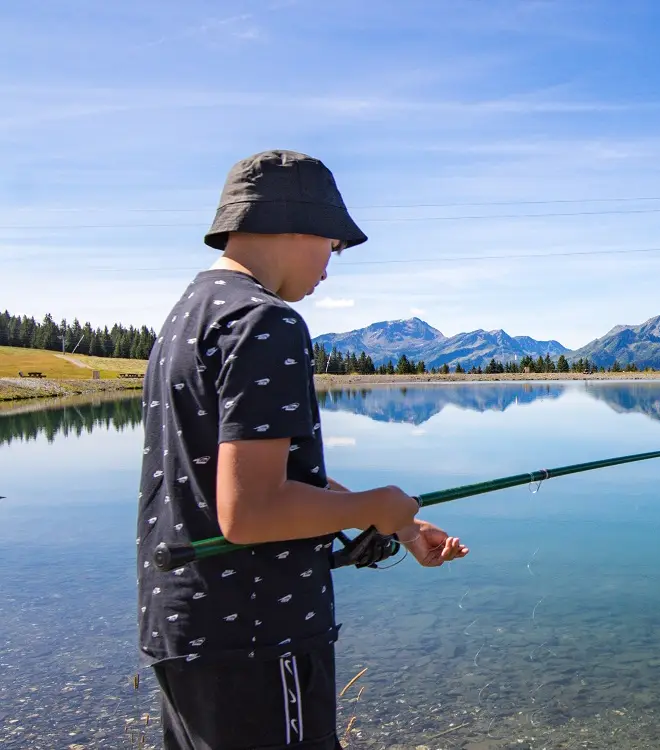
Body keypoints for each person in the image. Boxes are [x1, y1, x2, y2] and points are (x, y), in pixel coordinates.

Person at [136, 150, 468, 749]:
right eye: (332, 247)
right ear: (293, 223)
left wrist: (401, 523)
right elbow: (251, 512)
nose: (329, 268)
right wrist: (377, 501)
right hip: (259, 635)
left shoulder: (189, 315)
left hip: (187, 627)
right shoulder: (266, 322)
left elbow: (262, 476)